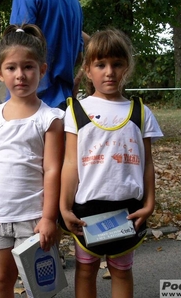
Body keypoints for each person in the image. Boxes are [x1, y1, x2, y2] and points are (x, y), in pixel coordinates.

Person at [59, 28, 164, 298]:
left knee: (121, 271)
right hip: (87, 209)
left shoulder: (140, 112)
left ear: (126, 67)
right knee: (85, 269)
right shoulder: (76, 111)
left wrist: (149, 204)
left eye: (117, 64)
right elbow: (70, 164)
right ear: (87, 69)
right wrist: (64, 206)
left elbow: (148, 164)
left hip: (127, 210)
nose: (109, 72)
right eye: (101, 64)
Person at [0, 24, 65, 297]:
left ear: (42, 70)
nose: (20, 75)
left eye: (28, 67)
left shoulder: (50, 119)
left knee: (40, 284)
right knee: (0, 278)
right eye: (11, 68)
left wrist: (49, 217)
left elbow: (52, 170)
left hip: (34, 218)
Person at [9, 0, 84, 109]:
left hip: (29, 103)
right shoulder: (75, 4)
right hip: (64, 102)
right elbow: (78, 56)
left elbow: (17, 47)